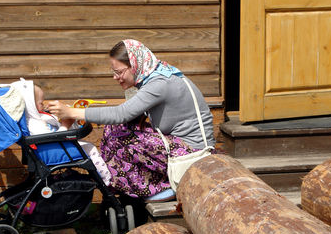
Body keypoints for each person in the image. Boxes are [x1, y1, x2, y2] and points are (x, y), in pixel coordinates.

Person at [44, 39, 215, 201]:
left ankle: (150, 186)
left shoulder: (159, 83)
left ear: (135, 66)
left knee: (118, 132)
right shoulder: (158, 74)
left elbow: (120, 114)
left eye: (118, 72)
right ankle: (130, 184)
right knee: (118, 130)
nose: (115, 77)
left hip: (192, 153)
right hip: (178, 144)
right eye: (113, 72)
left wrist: (71, 112)